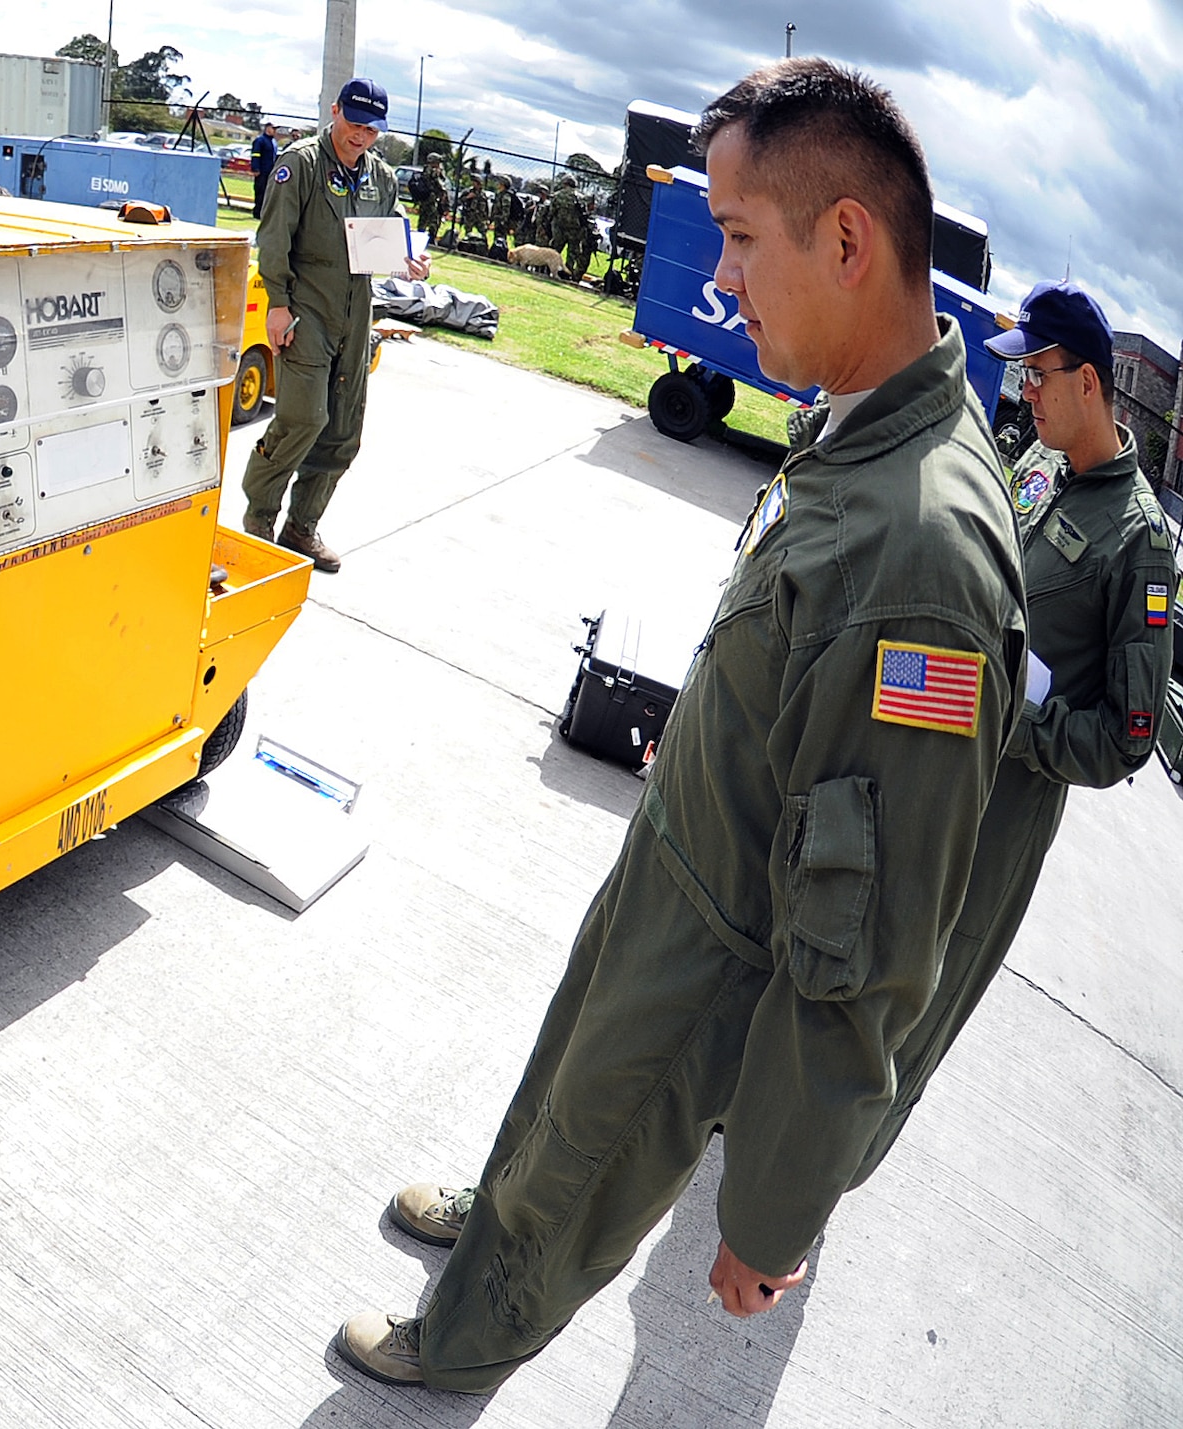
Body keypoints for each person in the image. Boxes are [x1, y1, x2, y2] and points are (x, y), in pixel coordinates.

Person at [335, 58, 1028, 1394]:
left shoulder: (930, 553)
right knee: (556, 1089)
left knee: (596, 1141)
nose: (720, 271)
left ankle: (472, 1332)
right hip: (675, 859)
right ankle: (490, 1220)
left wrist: (772, 1213)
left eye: (739, 235)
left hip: (716, 948)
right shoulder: (860, 440)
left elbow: (872, 944)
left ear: (844, 237)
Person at [846, 280, 1176, 1188]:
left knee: (925, 986)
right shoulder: (1038, 462)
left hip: (1004, 804)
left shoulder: (1141, 542)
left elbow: (1124, 737)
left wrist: (1012, 717)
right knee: (859, 927)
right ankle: (793, 1118)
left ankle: (831, 1173)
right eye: (1023, 374)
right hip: (938, 740)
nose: (1024, 390)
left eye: (1037, 373)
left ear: (1091, 384)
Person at [239, 78, 431, 574]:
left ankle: (301, 528)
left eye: (371, 129)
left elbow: (393, 227)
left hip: (357, 312)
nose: (360, 136)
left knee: (343, 430)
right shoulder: (299, 164)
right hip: (307, 309)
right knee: (304, 418)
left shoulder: (380, 178)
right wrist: (276, 306)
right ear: (334, 111)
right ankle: (259, 517)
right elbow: (273, 239)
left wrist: (412, 257)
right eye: (353, 123)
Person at [249, 122, 278, 220]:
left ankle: (264, 212)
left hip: (270, 172)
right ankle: (257, 212)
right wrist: (255, 168)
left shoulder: (273, 142)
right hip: (261, 171)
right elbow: (255, 155)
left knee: (267, 192)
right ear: (268, 128)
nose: (275, 131)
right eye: (273, 128)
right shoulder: (260, 140)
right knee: (260, 191)